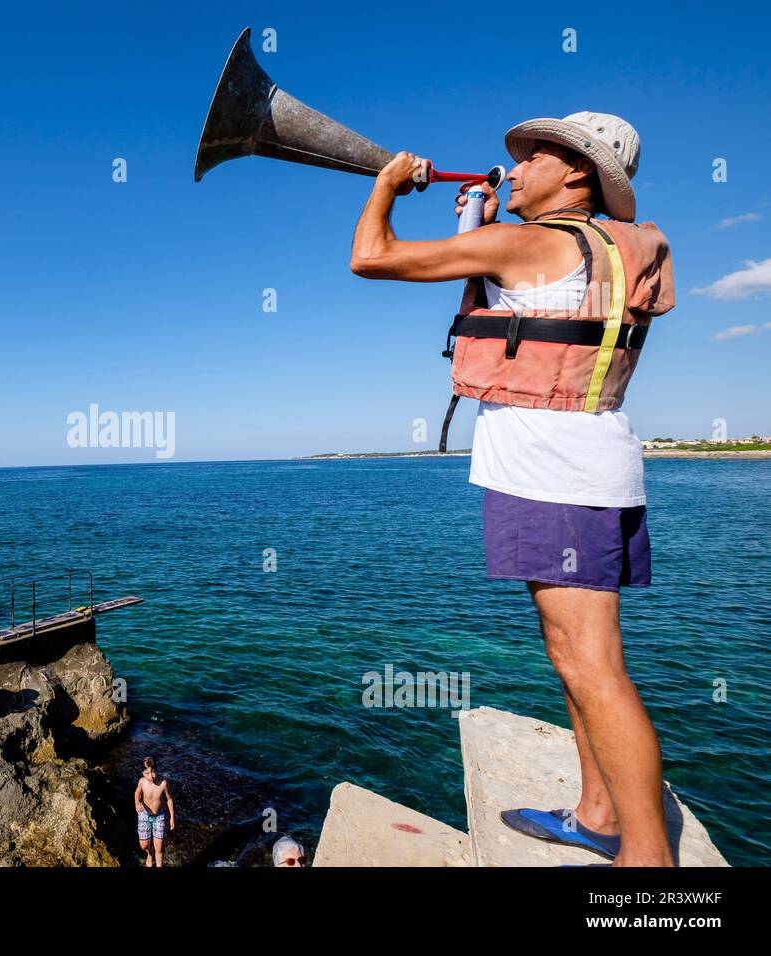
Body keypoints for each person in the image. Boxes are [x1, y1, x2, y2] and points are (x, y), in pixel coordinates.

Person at [350, 112, 675, 866]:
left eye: (535, 157)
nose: (517, 166)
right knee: (575, 659)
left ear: (579, 176)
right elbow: (529, 305)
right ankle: (598, 814)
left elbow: (371, 256)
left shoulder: (529, 244)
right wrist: (482, 235)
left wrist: (387, 185)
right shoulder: (605, 250)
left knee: (591, 663)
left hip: (551, 473)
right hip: (595, 460)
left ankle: (648, 865)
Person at [134, 756, 175, 867]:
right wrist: (137, 803)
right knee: (144, 845)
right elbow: (137, 793)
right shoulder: (142, 782)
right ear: (143, 773)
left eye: (153, 772)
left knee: (159, 847)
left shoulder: (163, 784)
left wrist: (172, 817)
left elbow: (169, 799)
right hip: (144, 814)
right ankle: (149, 854)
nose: (151, 776)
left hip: (159, 816)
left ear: (156, 770)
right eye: (147, 773)